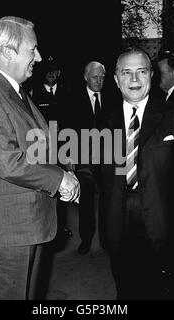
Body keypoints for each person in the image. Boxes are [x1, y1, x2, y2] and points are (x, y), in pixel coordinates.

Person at [0, 16, 80, 300]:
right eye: (32, 49)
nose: (38, 57)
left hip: (28, 224)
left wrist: (63, 170)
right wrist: (60, 179)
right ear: (7, 51)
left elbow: (35, 147)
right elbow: (9, 161)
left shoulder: (13, 91)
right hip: (7, 230)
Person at [78, 46, 174, 299]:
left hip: (162, 219)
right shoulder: (104, 119)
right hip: (117, 220)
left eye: (141, 71)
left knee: (160, 290)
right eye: (126, 73)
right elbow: (98, 169)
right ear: (116, 79)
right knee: (125, 289)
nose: (134, 80)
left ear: (151, 75)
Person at [30, 56, 73, 246]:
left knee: (63, 186)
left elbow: (71, 124)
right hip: (42, 149)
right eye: (48, 70)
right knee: (46, 187)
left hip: (63, 146)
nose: (51, 74)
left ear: (59, 72)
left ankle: (60, 226)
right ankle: (47, 225)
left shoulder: (67, 92)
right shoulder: (33, 94)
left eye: (55, 70)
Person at [72, 61, 108, 255]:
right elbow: (65, 126)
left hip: (107, 158)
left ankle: (105, 239)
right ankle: (86, 239)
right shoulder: (73, 98)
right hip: (83, 157)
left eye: (102, 77)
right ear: (86, 76)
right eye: (95, 77)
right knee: (85, 202)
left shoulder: (112, 97)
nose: (99, 81)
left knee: (107, 200)